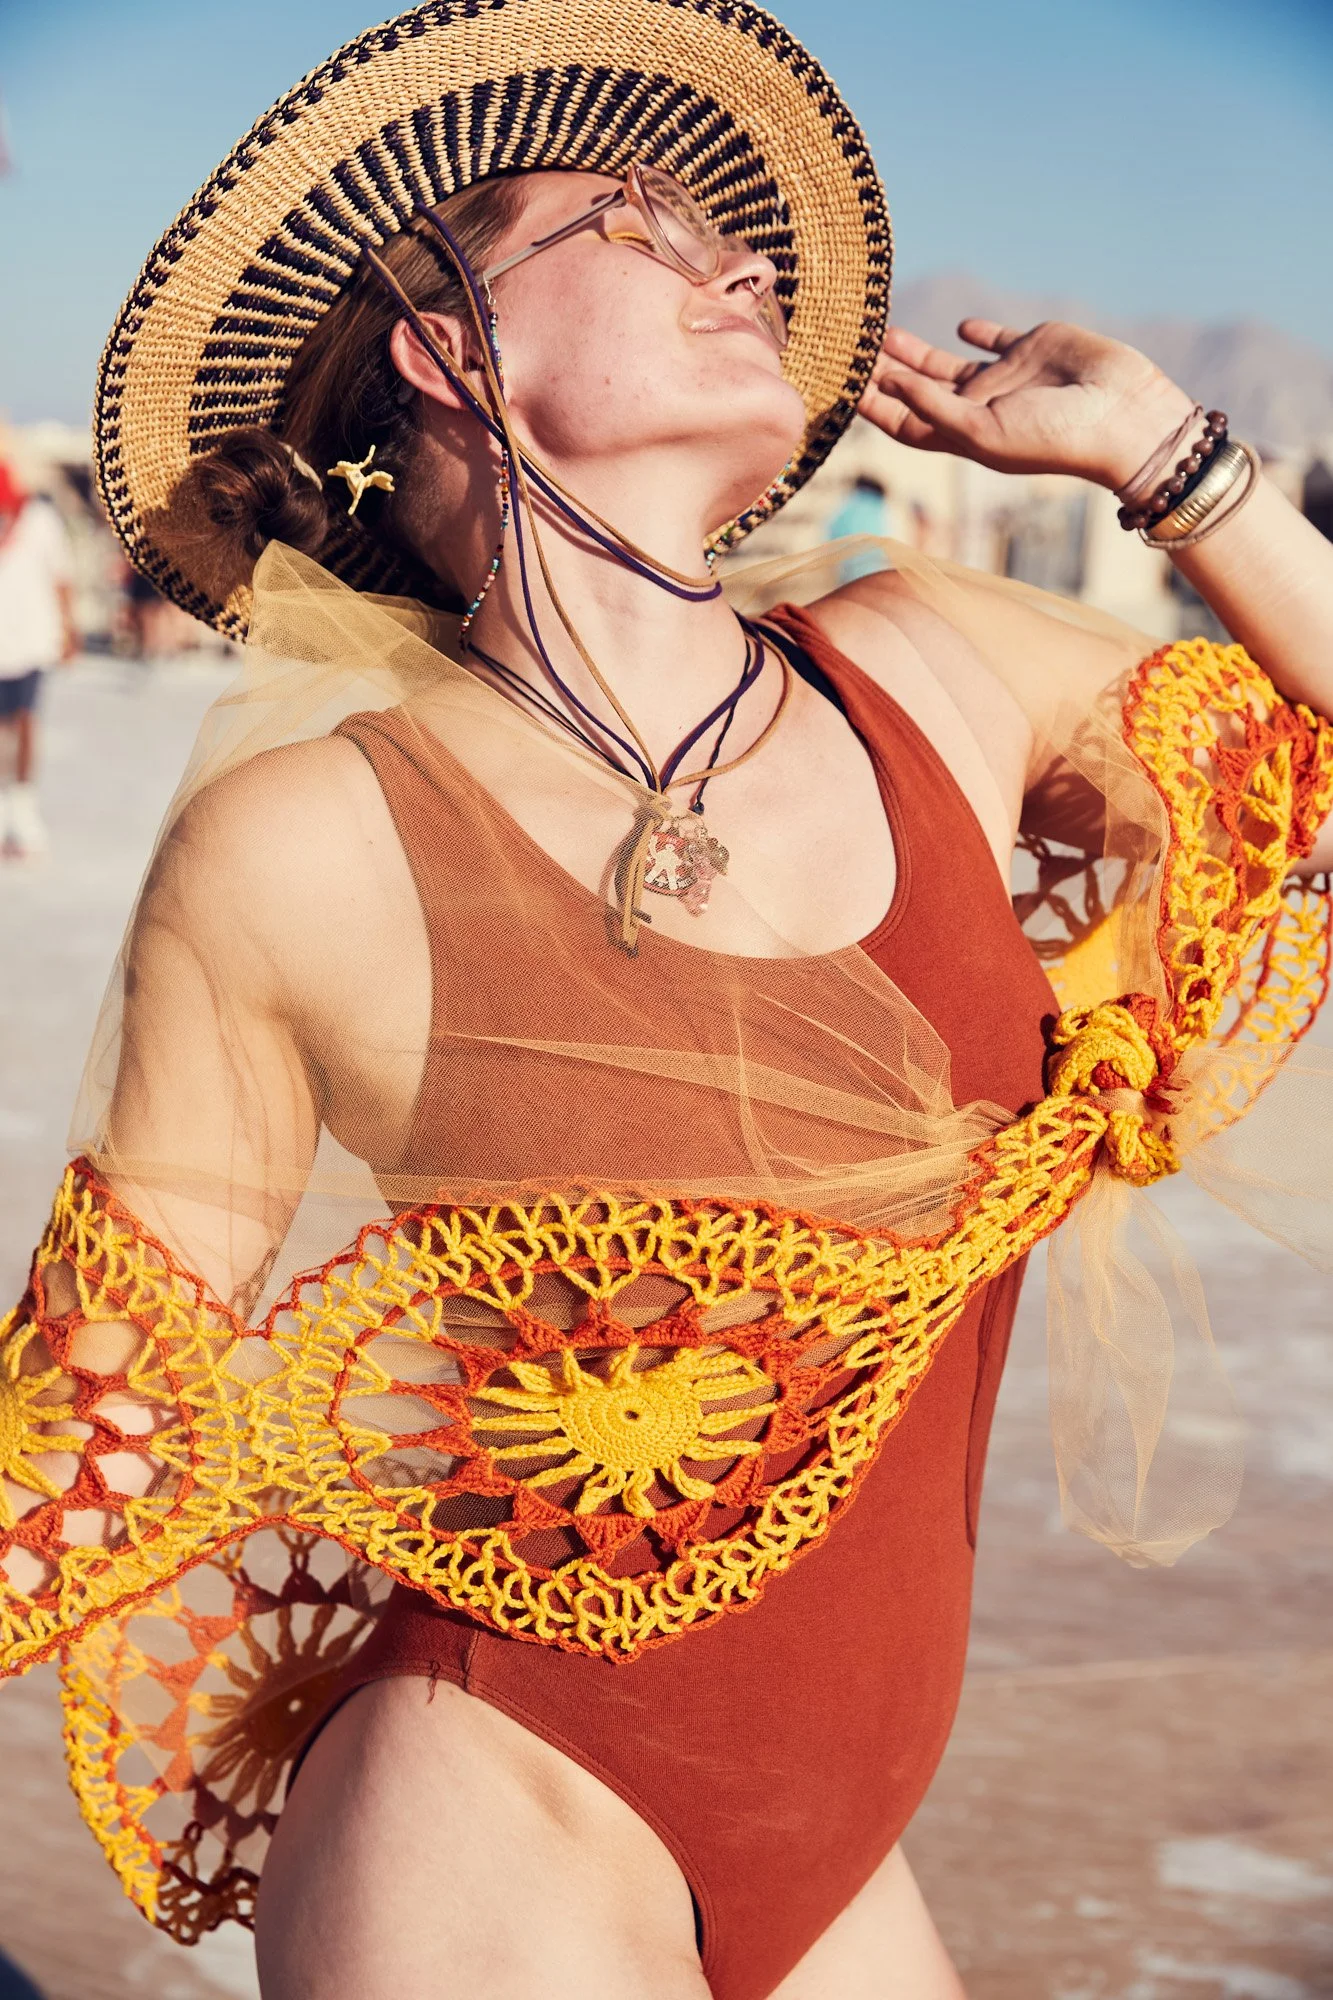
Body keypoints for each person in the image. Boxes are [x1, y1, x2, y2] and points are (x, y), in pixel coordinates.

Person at [1, 7, 1331, 2000]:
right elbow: (108, 1401)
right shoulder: (313, 843)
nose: (740, 263)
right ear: (459, 354)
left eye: (729, 234)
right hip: (495, 1830)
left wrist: (1173, 457)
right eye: (633, 226)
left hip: (843, 1861)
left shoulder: (935, 671)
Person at [0, 460, 78, 858]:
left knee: (26, 720)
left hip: (31, 640)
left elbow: (61, 576)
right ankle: (6, 807)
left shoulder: (41, 520)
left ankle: (23, 806)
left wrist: (69, 628)